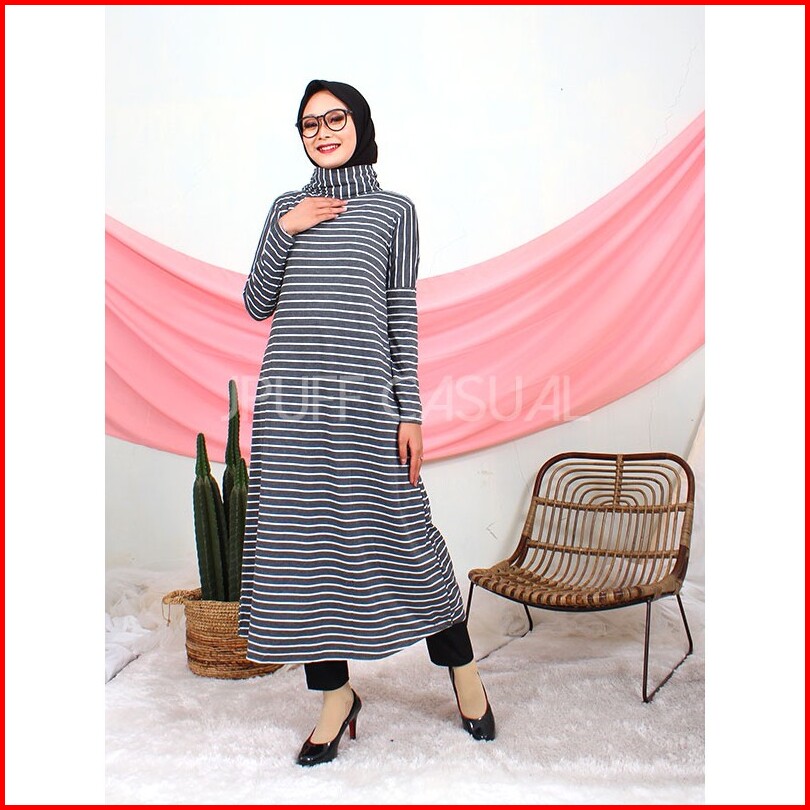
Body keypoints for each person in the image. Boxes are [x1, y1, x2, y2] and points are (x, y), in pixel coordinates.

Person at [237, 79, 495, 767]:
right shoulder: (286, 208)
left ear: (360, 124)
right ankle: (335, 697)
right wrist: (284, 230)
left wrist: (411, 411)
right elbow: (257, 303)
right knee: (302, 552)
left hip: (366, 406)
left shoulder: (393, 212)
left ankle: (465, 674)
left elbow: (400, 316)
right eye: (309, 124)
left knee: (407, 535)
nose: (322, 132)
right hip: (290, 407)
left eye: (335, 118)